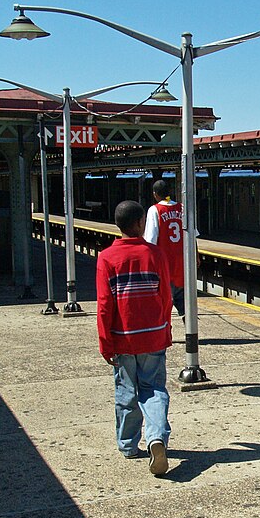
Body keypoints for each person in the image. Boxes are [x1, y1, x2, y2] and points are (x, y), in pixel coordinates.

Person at [97, 200, 174, 476]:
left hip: (122, 339)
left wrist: (105, 343)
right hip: (152, 336)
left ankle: (129, 445)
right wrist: (165, 328)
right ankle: (156, 438)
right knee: (153, 390)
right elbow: (165, 297)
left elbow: (105, 305)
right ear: (140, 223)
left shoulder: (106, 258)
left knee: (126, 392)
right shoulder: (155, 254)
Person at [143, 179, 186, 318]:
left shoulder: (154, 210)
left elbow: (151, 241)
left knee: (163, 302)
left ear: (155, 194)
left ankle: (166, 333)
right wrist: (196, 255)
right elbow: (192, 235)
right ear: (170, 192)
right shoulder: (182, 208)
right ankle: (191, 333)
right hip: (181, 265)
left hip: (163, 265)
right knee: (184, 303)